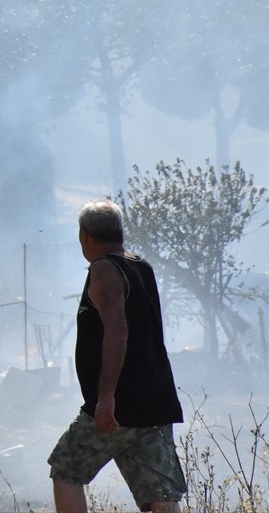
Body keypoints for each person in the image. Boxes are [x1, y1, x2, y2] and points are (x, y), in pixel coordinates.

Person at [48, 199, 186, 513]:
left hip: (119, 406)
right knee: (160, 491)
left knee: (66, 469)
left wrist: (106, 397)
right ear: (119, 233)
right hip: (155, 401)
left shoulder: (104, 270)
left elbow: (117, 332)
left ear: (84, 235)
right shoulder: (141, 266)